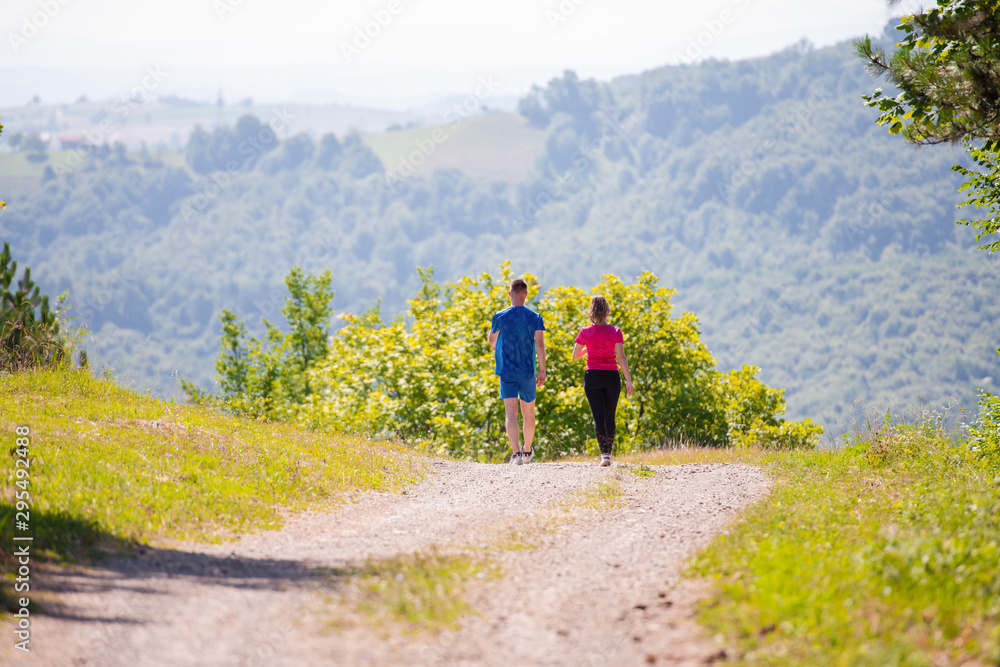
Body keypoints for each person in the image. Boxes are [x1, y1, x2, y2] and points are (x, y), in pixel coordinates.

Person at [488, 278, 546, 465]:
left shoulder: (499, 316)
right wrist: (542, 369)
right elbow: (539, 343)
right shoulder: (535, 317)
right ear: (526, 294)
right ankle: (527, 451)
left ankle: (516, 455)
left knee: (510, 413)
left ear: (509, 293)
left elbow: (491, 340)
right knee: (528, 413)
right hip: (528, 371)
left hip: (507, 371)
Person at [572, 295, 633, 466]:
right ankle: (609, 452)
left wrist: (586, 350)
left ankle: (604, 454)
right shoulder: (616, 331)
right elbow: (621, 357)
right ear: (607, 312)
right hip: (611, 376)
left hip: (592, 377)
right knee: (610, 416)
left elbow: (575, 356)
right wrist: (628, 380)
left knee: (598, 417)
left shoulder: (584, 332)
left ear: (591, 312)